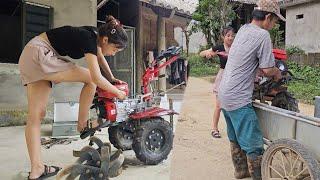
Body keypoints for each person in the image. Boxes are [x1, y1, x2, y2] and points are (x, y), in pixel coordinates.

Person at [18, 15, 128, 179]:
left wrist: (111, 78)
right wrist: (118, 92)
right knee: (91, 79)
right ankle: (82, 125)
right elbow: (96, 78)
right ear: (105, 40)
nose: (113, 54)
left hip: (30, 54)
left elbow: (100, 57)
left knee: (36, 116)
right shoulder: (89, 38)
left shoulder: (93, 35)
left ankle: (37, 169)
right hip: (42, 53)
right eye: (115, 49)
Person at [217, 0, 284, 179]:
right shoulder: (262, 36)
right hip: (238, 97)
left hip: (224, 93)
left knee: (235, 135)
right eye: (275, 21)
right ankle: (257, 176)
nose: (274, 25)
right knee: (253, 142)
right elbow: (268, 69)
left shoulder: (244, 30)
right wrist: (277, 73)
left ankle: (240, 171)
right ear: (268, 17)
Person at [200, 27, 235, 138]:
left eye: (232, 35)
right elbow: (202, 53)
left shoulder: (236, 48)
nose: (230, 38)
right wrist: (208, 54)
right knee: (219, 105)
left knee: (233, 105)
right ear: (223, 37)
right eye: (228, 35)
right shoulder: (219, 48)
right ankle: (214, 128)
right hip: (223, 77)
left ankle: (234, 130)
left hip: (234, 78)